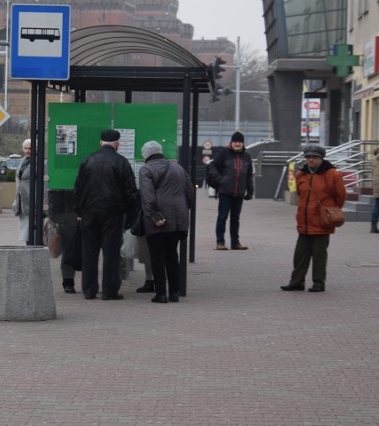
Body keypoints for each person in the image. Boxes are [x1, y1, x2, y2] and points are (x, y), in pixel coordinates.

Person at [74, 129, 138, 300]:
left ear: (100, 143)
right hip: (113, 213)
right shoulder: (121, 162)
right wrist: (131, 217)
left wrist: (79, 211)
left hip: (89, 213)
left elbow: (78, 188)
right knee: (111, 253)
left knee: (89, 252)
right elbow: (131, 192)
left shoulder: (88, 160)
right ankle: (110, 291)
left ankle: (89, 290)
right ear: (117, 144)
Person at [280, 144, 346, 293]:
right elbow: (300, 195)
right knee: (300, 255)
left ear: (321, 158)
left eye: (314, 157)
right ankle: (297, 281)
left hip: (321, 222)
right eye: (308, 157)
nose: (311, 160)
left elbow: (340, 196)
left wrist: (330, 211)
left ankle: (318, 282)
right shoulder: (301, 175)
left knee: (319, 255)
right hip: (304, 221)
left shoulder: (332, 174)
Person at [139, 140, 195, 303]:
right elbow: (190, 193)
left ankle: (161, 293)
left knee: (157, 256)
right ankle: (175, 292)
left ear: (146, 154)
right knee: (172, 255)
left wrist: (155, 217)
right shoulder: (178, 167)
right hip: (178, 219)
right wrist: (184, 211)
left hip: (159, 220)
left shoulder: (146, 169)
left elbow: (148, 197)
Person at [207, 131, 254, 250]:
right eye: (235, 142)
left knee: (235, 219)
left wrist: (250, 191)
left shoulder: (247, 157)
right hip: (225, 192)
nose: (237, 144)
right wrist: (219, 179)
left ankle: (235, 242)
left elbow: (249, 176)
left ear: (243, 144)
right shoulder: (224, 153)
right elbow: (212, 166)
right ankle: (220, 242)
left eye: (240, 142)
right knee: (222, 217)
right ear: (231, 143)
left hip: (239, 193)